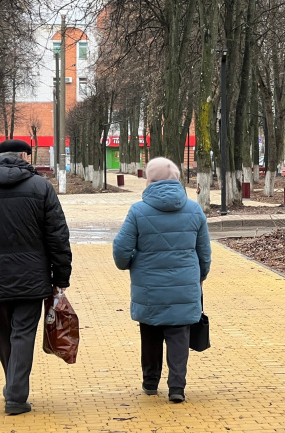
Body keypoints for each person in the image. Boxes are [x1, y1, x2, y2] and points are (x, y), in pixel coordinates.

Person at [0, 139, 72, 415]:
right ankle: (16, 394)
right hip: (33, 275)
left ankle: (12, 387)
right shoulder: (41, 187)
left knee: (4, 333)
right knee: (23, 333)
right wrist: (61, 276)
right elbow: (58, 235)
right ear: (24, 155)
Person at [112, 157, 211, 403]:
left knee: (150, 333)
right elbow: (204, 252)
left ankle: (150, 382)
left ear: (150, 179)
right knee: (179, 335)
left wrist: (130, 262)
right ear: (176, 178)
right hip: (184, 287)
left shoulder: (138, 211)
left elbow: (121, 250)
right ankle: (177, 388)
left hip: (149, 288)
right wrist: (199, 277)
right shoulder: (194, 209)